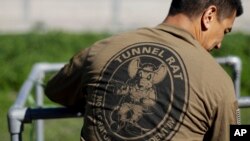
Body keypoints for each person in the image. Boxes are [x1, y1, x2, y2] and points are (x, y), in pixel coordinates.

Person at [45, 0, 243, 140]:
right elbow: (236, 134)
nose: (219, 44)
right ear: (209, 16)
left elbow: (56, 90)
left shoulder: (101, 50)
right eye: (225, 30)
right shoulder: (219, 81)